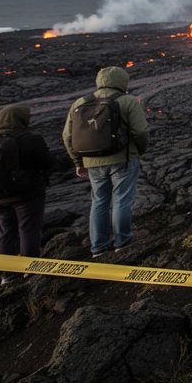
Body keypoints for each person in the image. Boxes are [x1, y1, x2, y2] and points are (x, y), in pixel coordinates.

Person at [62, 66, 150, 258]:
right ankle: (122, 242)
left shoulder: (80, 102)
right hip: (124, 159)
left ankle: (98, 248)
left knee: (99, 202)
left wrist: (78, 161)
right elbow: (141, 131)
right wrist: (139, 151)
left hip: (92, 162)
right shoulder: (127, 101)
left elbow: (68, 136)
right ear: (122, 81)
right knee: (122, 200)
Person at [0, 105, 54, 285]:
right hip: (27, 195)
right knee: (28, 230)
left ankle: (6, 275)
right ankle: (30, 270)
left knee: (5, 232)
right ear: (22, 119)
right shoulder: (30, 139)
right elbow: (47, 162)